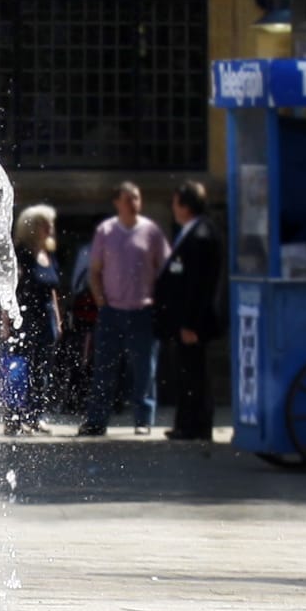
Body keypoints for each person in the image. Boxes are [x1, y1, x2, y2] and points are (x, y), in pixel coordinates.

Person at [78, 181, 170, 435]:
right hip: (111, 311)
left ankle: (143, 420)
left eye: (137, 198)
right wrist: (100, 301)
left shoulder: (151, 231)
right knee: (104, 368)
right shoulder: (106, 231)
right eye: (128, 199)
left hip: (142, 310)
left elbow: (165, 267)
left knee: (144, 370)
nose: (133, 204)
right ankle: (97, 420)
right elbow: (94, 271)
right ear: (117, 202)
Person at [154, 180, 223, 441]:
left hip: (194, 321)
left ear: (185, 205)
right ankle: (186, 423)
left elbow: (199, 285)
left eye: (175, 203)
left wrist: (190, 324)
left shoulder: (202, 235)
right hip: (184, 319)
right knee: (186, 372)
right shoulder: (190, 232)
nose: (173, 208)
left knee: (195, 373)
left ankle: (196, 425)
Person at [7, 203, 62, 433]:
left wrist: (57, 320)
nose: (49, 228)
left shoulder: (47, 255)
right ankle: (14, 418)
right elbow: (10, 289)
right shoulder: (20, 255)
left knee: (42, 371)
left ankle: (35, 415)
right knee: (20, 370)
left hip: (46, 319)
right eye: (43, 224)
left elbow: (52, 291)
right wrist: (6, 321)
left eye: (50, 223)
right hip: (25, 318)